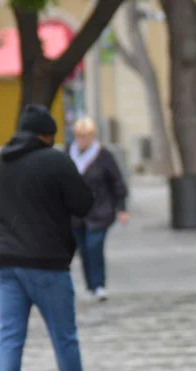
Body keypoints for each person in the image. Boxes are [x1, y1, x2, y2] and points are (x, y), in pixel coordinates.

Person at [0, 105, 114, 371]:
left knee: (8, 337)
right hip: (48, 263)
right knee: (64, 338)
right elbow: (84, 204)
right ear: (46, 134)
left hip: (6, 264)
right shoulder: (56, 160)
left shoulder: (1, 162)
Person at [69, 117, 128, 301]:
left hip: (100, 210)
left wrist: (122, 207)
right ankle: (90, 286)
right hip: (76, 214)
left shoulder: (103, 156)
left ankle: (99, 284)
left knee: (95, 246)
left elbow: (117, 181)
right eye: (79, 136)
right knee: (84, 250)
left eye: (86, 136)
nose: (83, 140)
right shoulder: (69, 154)